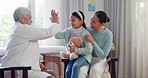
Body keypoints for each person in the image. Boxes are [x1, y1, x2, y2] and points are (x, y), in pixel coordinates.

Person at [1, 7, 60, 78]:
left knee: (52, 73)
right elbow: (48, 32)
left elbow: (22, 51)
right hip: (18, 71)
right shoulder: (23, 29)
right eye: (30, 18)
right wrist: (55, 22)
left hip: (15, 69)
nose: (31, 21)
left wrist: (36, 62)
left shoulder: (17, 29)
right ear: (21, 18)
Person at [55, 10, 92, 78]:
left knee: (76, 66)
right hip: (72, 56)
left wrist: (75, 50)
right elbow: (56, 36)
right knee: (68, 71)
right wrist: (55, 23)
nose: (71, 22)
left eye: (73, 20)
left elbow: (89, 50)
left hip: (84, 56)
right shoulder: (68, 31)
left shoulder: (85, 33)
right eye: (70, 20)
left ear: (81, 21)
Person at [78, 11, 113, 78]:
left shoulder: (108, 34)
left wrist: (93, 42)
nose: (90, 23)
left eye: (94, 22)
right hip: (87, 58)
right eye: (91, 19)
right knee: (80, 70)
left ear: (102, 24)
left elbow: (103, 55)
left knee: (95, 70)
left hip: (100, 61)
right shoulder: (87, 30)